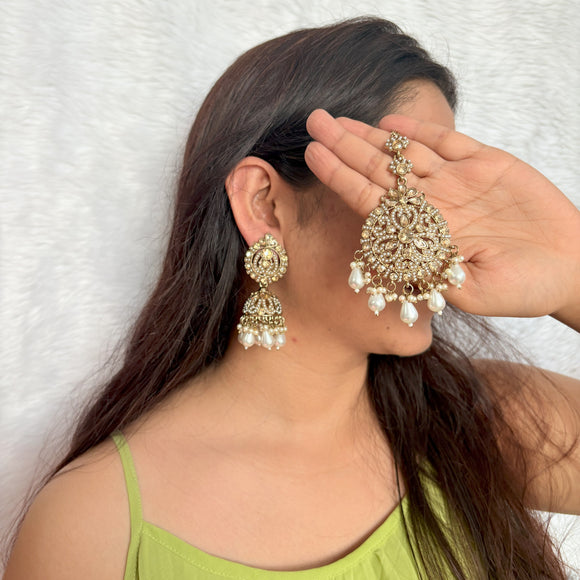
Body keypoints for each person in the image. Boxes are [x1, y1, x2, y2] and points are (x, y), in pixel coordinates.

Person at [3, 16, 580, 580]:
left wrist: (571, 265)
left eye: (449, 193)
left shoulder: (486, 421)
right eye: (408, 186)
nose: (444, 236)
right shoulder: (93, 524)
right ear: (265, 205)